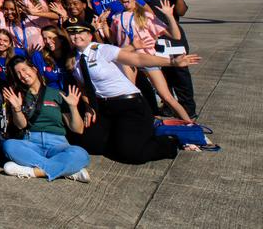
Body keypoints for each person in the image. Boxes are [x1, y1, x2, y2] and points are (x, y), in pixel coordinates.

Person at [65, 23, 205, 163]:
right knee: (91, 145)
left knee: (131, 154)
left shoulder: (102, 50)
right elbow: (83, 87)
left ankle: (169, 142)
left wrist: (172, 61)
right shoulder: (74, 60)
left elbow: (137, 59)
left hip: (129, 104)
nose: (76, 36)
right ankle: (126, 137)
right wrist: (89, 106)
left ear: (90, 35)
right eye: (72, 33)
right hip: (104, 108)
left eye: (81, 32)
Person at [1, 56, 91, 182]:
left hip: (57, 144)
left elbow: (78, 129)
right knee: (9, 145)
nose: (23, 75)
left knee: (81, 154)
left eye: (24, 69)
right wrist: (16, 108)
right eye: (18, 73)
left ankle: (32, 171)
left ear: (34, 69)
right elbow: (21, 126)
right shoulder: (19, 96)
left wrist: (73, 107)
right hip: (32, 142)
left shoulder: (57, 94)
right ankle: (67, 170)